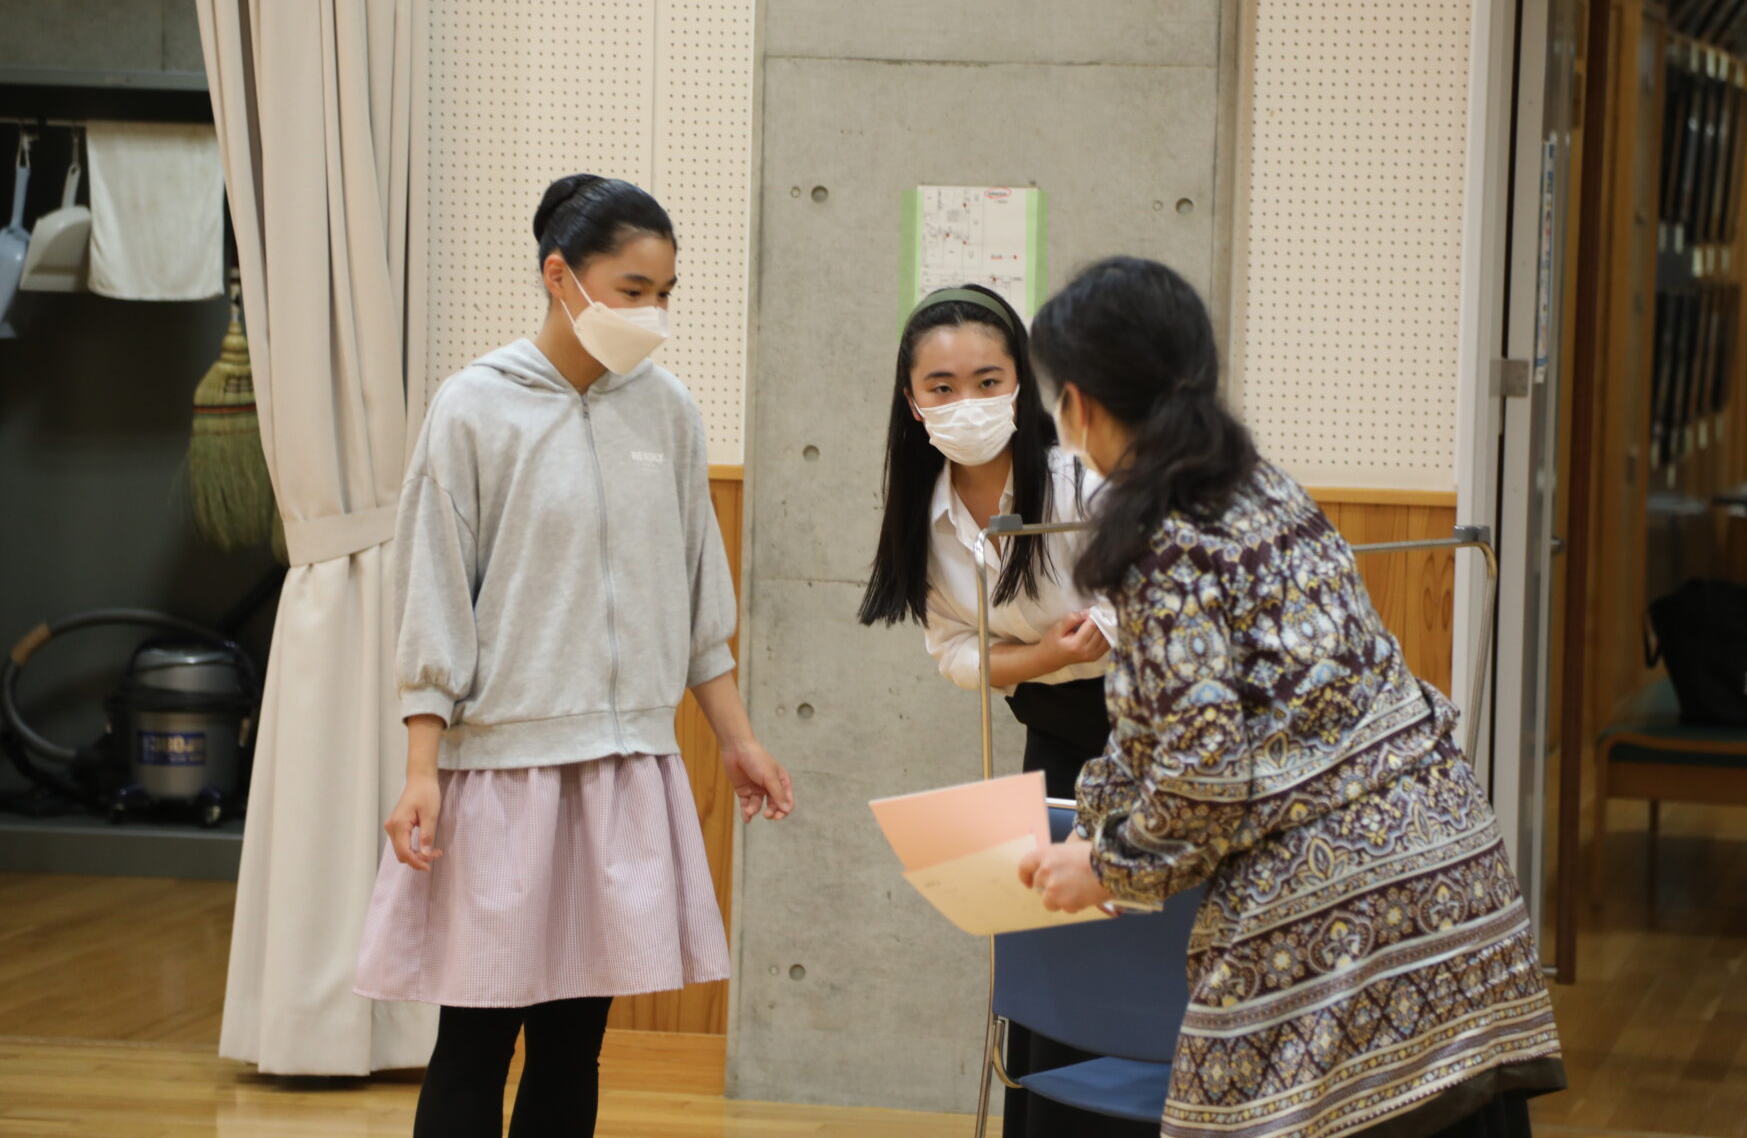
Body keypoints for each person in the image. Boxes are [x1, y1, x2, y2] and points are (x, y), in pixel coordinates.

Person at [1019, 257, 1564, 1138]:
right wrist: (1097, 823)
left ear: (1077, 405)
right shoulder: (1259, 487)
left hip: (1339, 905)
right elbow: (1166, 728)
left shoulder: (1164, 541)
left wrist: (1104, 864)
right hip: (1451, 868)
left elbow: (1202, 776)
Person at [354, 175, 795, 1138]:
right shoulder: (472, 408)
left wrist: (739, 741)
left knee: (572, 1048)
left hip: (621, 768)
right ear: (561, 276)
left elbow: (697, 606)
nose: (653, 313)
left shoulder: (667, 412)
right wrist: (421, 769)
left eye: (665, 292)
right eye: (632, 290)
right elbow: (433, 599)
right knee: (474, 1042)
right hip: (500, 774)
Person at [857, 284, 1151, 1138]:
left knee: (1147, 940)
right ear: (912, 401)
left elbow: (1155, 584)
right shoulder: (925, 514)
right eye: (942, 386)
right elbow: (957, 654)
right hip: (1052, 738)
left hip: (1152, 735)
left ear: (1021, 382)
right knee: (1052, 953)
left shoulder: (1082, 478)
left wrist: (1098, 632)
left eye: (988, 380)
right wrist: (1050, 656)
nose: (968, 401)